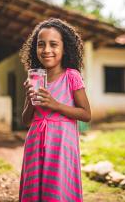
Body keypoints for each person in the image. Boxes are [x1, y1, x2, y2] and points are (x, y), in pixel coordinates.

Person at [18, 18, 91, 201]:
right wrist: (29, 99)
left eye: (53, 44)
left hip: (61, 144)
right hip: (35, 142)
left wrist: (55, 104)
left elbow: (86, 114)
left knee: (56, 191)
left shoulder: (71, 76)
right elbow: (26, 121)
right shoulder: (35, 76)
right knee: (34, 190)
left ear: (64, 48)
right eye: (41, 45)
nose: (47, 50)